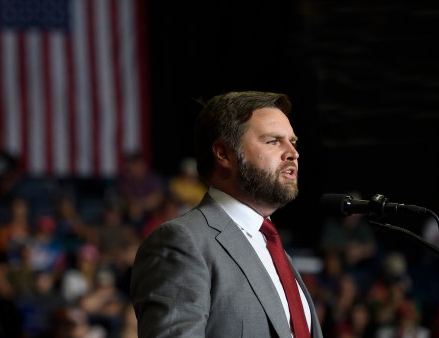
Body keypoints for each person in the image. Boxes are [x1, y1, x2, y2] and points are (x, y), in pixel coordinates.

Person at [130, 91, 323, 337]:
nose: (293, 153)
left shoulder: (273, 247)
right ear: (223, 153)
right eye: (273, 141)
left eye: (292, 142)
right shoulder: (183, 241)